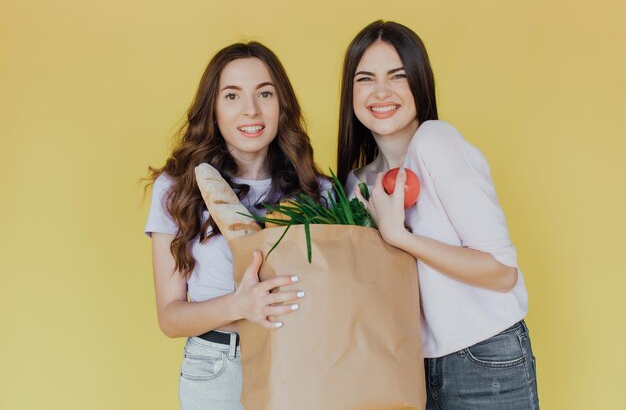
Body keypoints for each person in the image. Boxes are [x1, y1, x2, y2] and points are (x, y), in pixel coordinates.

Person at [337, 21, 539, 410]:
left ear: (419, 81)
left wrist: (403, 238)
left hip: (484, 356)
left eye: (397, 76)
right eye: (365, 79)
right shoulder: (357, 185)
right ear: (350, 92)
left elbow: (501, 272)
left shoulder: (435, 142)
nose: (381, 92)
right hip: (405, 366)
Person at [145, 42, 327, 410]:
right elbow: (170, 317)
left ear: (282, 106)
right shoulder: (178, 188)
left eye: (265, 93)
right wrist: (240, 304)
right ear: (212, 109)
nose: (251, 110)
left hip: (303, 364)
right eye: (232, 95)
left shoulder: (319, 192)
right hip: (217, 369)